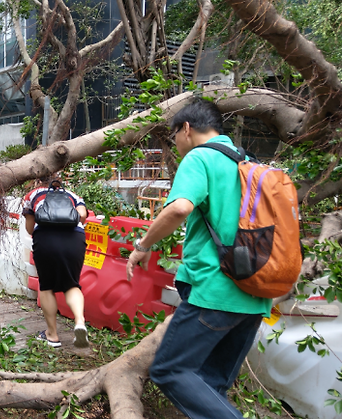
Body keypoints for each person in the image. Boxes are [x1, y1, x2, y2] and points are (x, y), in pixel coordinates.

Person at [126, 99, 271, 418]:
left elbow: (179, 208)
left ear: (187, 129)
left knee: (169, 370)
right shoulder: (252, 164)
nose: (175, 143)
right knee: (210, 384)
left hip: (215, 289)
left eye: (174, 134)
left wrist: (143, 244)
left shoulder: (200, 158)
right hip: (257, 293)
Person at [23, 177, 90, 348]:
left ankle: (52, 335)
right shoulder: (72, 195)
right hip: (75, 237)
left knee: (46, 286)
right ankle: (80, 322)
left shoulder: (33, 195)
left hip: (46, 237)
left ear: (37, 181)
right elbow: (82, 216)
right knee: (72, 284)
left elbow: (30, 228)